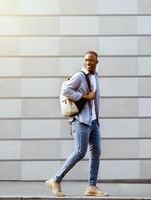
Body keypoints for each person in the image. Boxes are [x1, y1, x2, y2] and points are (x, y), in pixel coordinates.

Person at [45, 51, 108, 197]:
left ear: (97, 62)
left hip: (93, 121)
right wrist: (84, 96)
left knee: (96, 153)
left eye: (91, 60)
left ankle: (91, 186)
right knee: (80, 151)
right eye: (86, 60)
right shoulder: (80, 75)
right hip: (81, 120)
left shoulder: (95, 76)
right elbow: (65, 90)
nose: (88, 62)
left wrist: (96, 117)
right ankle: (55, 180)